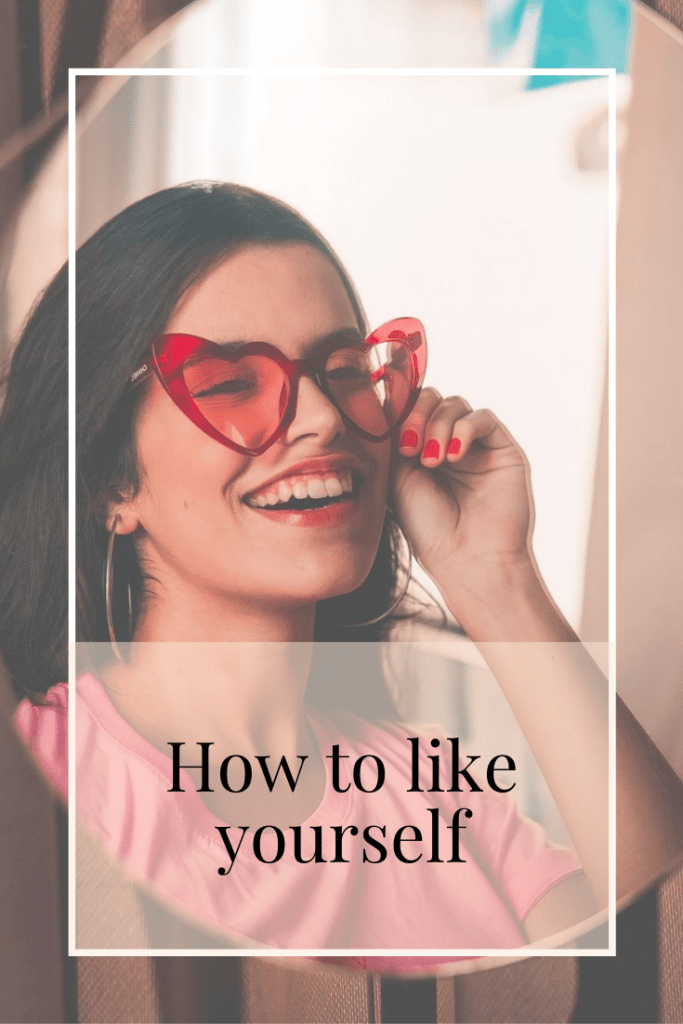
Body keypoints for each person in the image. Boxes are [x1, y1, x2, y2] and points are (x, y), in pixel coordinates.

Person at [1, 182, 682, 972]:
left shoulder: (434, 792)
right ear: (112, 484)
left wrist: (498, 583)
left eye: (346, 369)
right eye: (229, 383)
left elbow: (661, 961)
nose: (322, 417)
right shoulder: (40, 775)